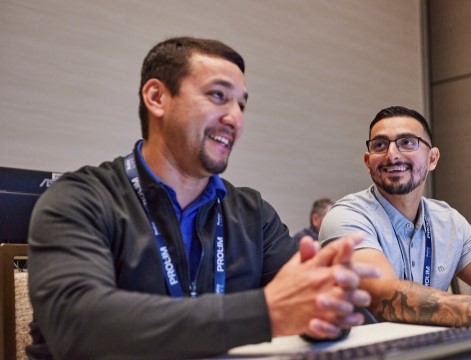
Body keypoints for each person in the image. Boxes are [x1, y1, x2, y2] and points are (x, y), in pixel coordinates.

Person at [26, 37, 379, 360]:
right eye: (218, 96)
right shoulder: (79, 198)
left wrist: (327, 310)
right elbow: (77, 324)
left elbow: (313, 305)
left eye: (241, 105)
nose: (235, 118)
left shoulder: (252, 214)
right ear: (157, 97)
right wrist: (266, 313)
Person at [319, 105, 471, 341]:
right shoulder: (346, 216)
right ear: (367, 160)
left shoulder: (448, 220)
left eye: (407, 142)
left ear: (433, 158)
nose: (392, 154)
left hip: (432, 347)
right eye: (380, 145)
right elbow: (383, 294)